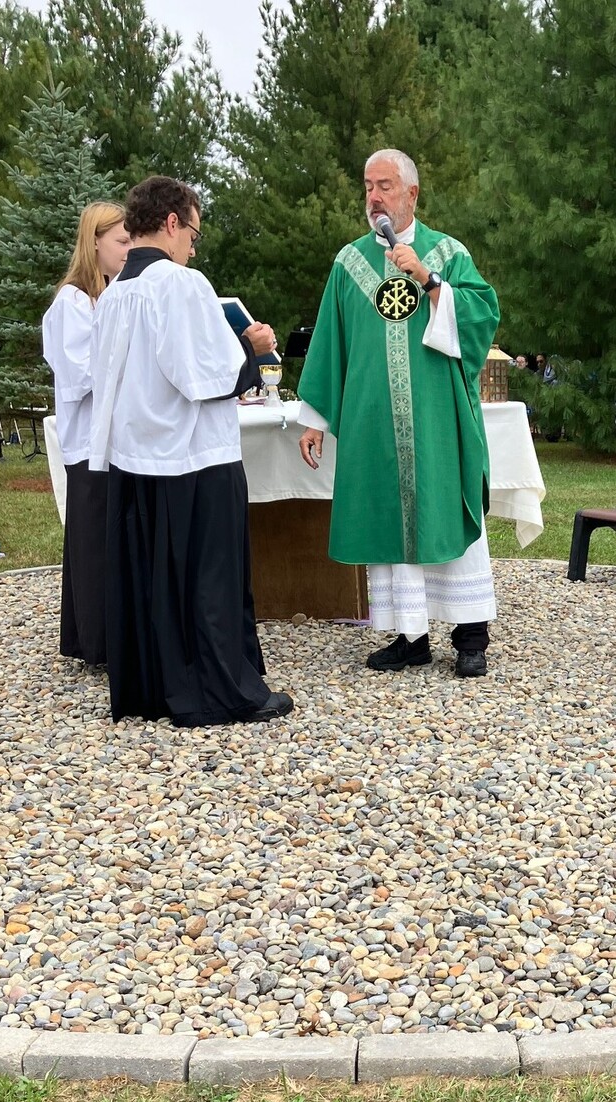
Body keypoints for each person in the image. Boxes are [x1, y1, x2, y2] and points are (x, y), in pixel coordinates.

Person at [88, 175, 292, 725]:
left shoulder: (115, 295)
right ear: (172, 223)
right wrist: (247, 347)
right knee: (209, 580)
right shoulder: (180, 284)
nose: (194, 247)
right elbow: (205, 376)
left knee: (155, 581)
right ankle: (222, 691)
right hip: (195, 457)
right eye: (194, 233)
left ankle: (155, 688)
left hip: (137, 460)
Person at [297, 150, 501, 678]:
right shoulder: (350, 262)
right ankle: (410, 636)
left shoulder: (448, 252)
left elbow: (482, 317)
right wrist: (315, 417)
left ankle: (470, 635)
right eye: (368, 186)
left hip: (437, 418)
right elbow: (330, 343)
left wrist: (431, 280)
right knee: (391, 518)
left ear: (412, 193)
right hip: (376, 425)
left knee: (445, 511)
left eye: (384, 186)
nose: (374, 197)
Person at [42, 200, 131, 666]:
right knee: (93, 540)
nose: (127, 248)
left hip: (120, 440)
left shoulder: (116, 294)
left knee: (109, 538)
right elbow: (80, 374)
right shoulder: (73, 302)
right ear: (94, 241)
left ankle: (106, 634)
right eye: (120, 240)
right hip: (89, 441)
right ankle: (97, 642)